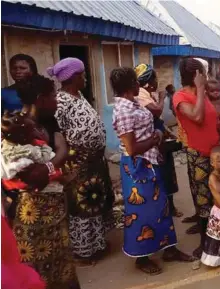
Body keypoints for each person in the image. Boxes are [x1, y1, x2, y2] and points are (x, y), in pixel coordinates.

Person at [111, 67, 193, 275]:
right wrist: (156, 138)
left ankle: (169, 249)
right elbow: (131, 149)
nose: (139, 84)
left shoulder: (133, 102)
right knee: (142, 213)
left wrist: (156, 145)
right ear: (131, 85)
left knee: (162, 207)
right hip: (137, 168)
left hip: (150, 161)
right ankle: (142, 258)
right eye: (136, 81)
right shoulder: (123, 110)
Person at [9, 74, 80, 288]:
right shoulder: (15, 129)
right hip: (32, 215)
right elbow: (35, 178)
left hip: (54, 212)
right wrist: (60, 156)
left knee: (62, 269)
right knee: (38, 271)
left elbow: (51, 165)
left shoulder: (45, 124)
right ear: (40, 99)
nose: (57, 100)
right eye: (52, 96)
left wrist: (58, 159)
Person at [48, 58, 114, 266]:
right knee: (81, 205)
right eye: (83, 75)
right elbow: (57, 133)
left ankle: (97, 244)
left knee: (94, 202)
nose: (86, 78)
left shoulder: (79, 96)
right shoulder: (61, 101)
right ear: (72, 77)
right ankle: (84, 252)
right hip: (78, 161)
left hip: (93, 161)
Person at [173, 58, 220, 257]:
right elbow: (197, 117)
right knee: (203, 199)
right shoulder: (180, 97)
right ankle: (205, 243)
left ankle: (218, 236)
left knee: (216, 196)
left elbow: (209, 118)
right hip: (198, 154)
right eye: (202, 73)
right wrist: (201, 90)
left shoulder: (203, 95)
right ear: (195, 76)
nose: (205, 76)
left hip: (214, 153)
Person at [134, 64, 182, 217]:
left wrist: (169, 133)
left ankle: (170, 206)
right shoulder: (141, 94)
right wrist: (162, 98)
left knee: (168, 172)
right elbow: (157, 111)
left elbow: (159, 119)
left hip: (159, 135)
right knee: (162, 173)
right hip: (153, 140)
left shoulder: (148, 93)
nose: (157, 82)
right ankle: (164, 207)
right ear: (148, 80)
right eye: (155, 78)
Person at [1, 112, 63, 190]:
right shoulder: (30, 151)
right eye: (33, 129)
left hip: (16, 189)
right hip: (42, 189)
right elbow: (46, 158)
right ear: (24, 136)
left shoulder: (5, 145)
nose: (36, 131)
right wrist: (45, 147)